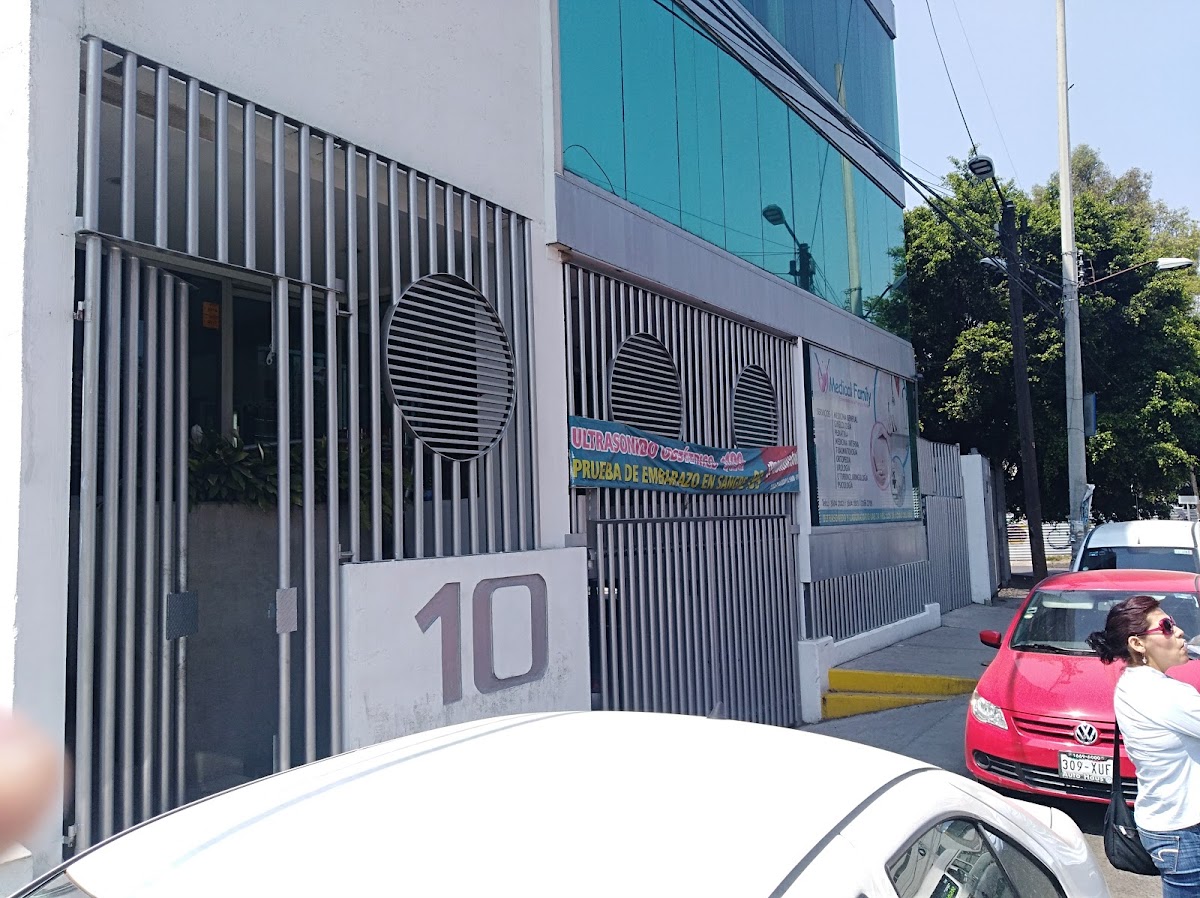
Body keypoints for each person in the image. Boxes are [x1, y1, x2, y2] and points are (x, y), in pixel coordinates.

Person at [1087, 595, 1200, 895]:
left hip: (1163, 822)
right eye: (1166, 627)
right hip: (1185, 830)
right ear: (1137, 644)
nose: (1179, 632)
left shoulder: (1130, 682)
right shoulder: (1168, 695)